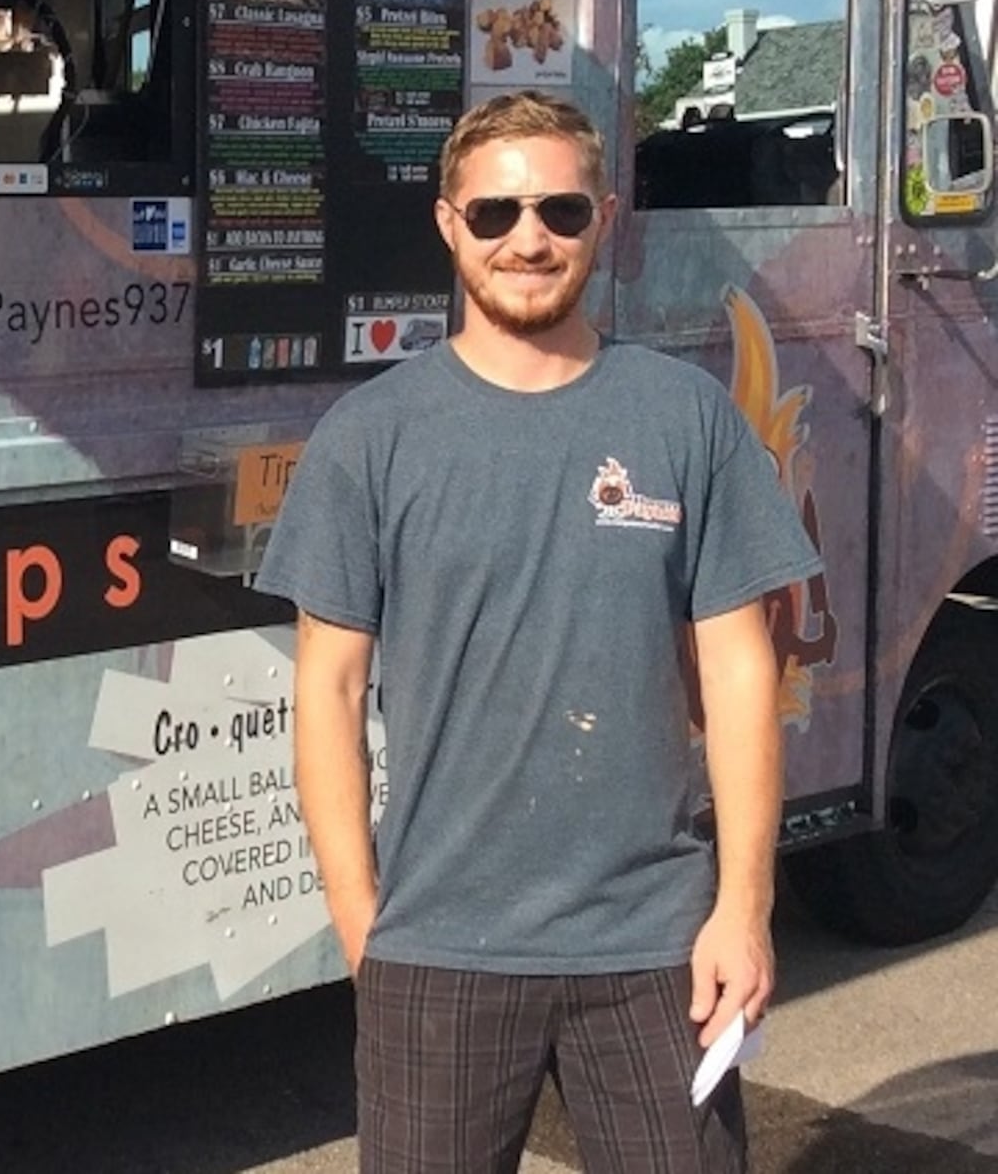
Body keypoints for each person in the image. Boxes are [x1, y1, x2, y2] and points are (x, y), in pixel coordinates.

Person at [253, 90, 823, 1173]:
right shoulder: (368, 439)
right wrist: (362, 923)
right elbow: (327, 690)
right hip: (439, 952)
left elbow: (741, 669)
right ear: (446, 225)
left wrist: (741, 908)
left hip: (658, 947)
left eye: (561, 212)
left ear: (604, 219)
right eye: (496, 214)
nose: (529, 239)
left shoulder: (683, 416)